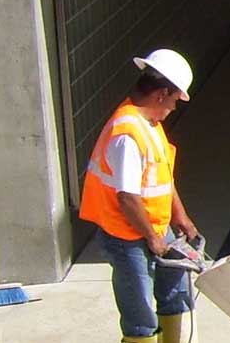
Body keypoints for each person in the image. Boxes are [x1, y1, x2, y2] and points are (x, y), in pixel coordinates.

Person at [80, 49, 201, 343]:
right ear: (161, 94)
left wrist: (180, 217)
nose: (174, 108)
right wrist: (152, 238)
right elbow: (127, 198)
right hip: (126, 234)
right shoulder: (126, 135)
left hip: (155, 227)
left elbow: (162, 178)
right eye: (174, 101)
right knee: (140, 313)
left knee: (176, 291)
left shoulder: (151, 126)